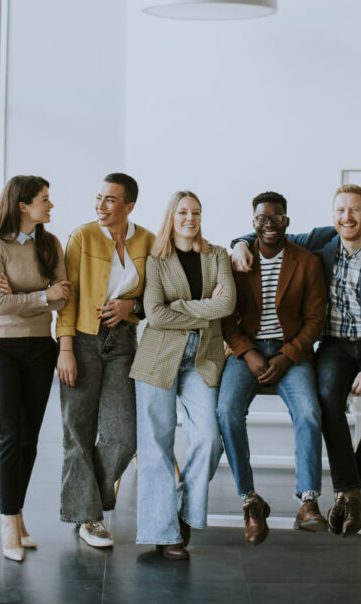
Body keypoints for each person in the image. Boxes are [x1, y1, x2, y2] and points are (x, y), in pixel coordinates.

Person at [231, 184, 361, 535]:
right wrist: (239, 244)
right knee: (327, 396)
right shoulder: (321, 243)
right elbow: (267, 230)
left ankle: (350, 491)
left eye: (355, 210)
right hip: (335, 346)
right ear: (333, 216)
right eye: (341, 210)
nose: (348, 217)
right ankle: (350, 493)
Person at [130, 191, 236, 559]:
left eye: (195, 212)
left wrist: (180, 307)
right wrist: (206, 310)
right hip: (158, 357)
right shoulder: (156, 260)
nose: (190, 218)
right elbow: (155, 315)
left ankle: (184, 511)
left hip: (203, 357)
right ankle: (164, 531)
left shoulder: (217, 254)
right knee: (156, 446)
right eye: (182, 212)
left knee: (209, 437)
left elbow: (227, 303)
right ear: (171, 217)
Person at [217, 192, 327, 546]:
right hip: (246, 350)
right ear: (252, 224)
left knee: (310, 412)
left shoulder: (307, 262)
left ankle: (308, 501)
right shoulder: (237, 261)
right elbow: (225, 317)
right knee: (226, 411)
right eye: (262, 219)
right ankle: (250, 501)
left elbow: (315, 321)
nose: (269, 225)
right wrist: (247, 353)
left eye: (276, 218)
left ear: (287, 222)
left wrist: (288, 355)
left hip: (291, 353)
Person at [56, 173, 155, 548]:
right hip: (82, 339)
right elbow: (68, 297)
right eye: (98, 197)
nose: (100, 205)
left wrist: (133, 305)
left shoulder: (147, 240)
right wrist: (65, 348)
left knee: (124, 433)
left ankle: (88, 501)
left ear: (129, 206)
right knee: (76, 431)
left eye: (110, 200)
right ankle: (88, 518)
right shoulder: (81, 237)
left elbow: (157, 294)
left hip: (124, 340)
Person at [0, 175, 70, 562]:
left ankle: (17, 514)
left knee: (29, 439)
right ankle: (7, 522)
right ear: (22, 205)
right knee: (11, 434)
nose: (51, 206)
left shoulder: (50, 244)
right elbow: (0, 305)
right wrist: (43, 294)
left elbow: (65, 300)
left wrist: (24, 296)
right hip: (1, 349)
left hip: (39, 350)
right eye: (44, 200)